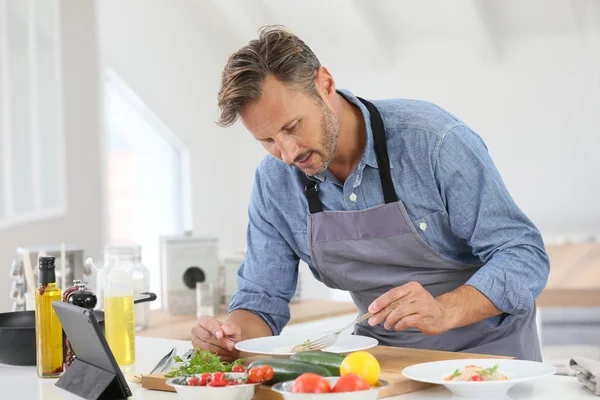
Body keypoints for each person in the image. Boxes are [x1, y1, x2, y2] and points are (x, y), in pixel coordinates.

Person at [191, 25, 549, 362]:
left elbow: (523, 255)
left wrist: (445, 310)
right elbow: (261, 298)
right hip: (383, 369)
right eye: (267, 140)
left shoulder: (432, 142)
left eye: (292, 127)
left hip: (491, 363)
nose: (287, 153)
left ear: (325, 84)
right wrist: (231, 337)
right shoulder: (275, 183)